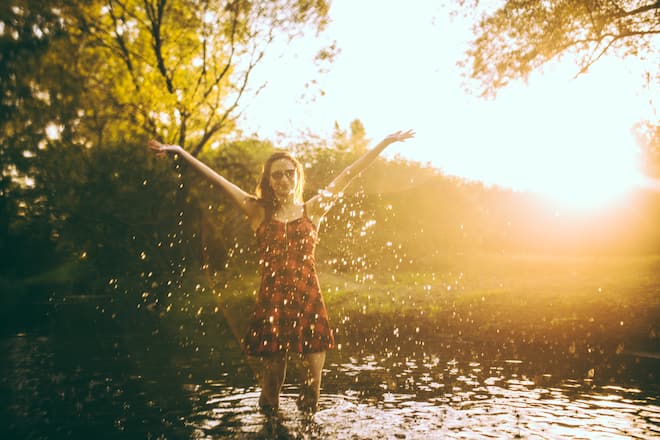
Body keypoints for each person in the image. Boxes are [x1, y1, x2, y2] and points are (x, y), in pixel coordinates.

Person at [148, 129, 414, 415]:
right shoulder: (257, 211)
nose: (284, 179)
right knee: (272, 380)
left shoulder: (315, 209)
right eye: (277, 175)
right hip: (273, 300)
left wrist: (384, 143)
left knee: (313, 387)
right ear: (269, 181)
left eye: (289, 173)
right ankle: (269, 429)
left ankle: (308, 429)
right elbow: (218, 180)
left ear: (298, 176)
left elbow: (349, 173)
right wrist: (179, 151)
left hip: (308, 297)